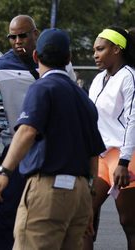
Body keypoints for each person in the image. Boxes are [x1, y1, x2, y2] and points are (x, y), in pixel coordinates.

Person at [0, 28, 106, 250]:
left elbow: (27, 131)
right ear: (68, 58)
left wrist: (3, 173)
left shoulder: (42, 87)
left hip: (49, 190)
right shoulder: (84, 98)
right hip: (79, 193)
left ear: (35, 57)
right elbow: (94, 155)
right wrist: (89, 201)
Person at [0, 15, 77, 250]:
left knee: (51, 217)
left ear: (35, 34)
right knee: (6, 214)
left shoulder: (60, 63)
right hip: (20, 150)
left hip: (56, 152)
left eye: (23, 35)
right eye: (13, 37)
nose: (18, 41)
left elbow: (73, 98)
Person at [84, 26, 135, 250]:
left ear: (116, 49)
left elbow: (134, 120)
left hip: (126, 158)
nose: (95, 55)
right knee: (84, 215)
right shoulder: (97, 80)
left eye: (100, 49)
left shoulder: (129, 77)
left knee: (129, 223)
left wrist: (124, 161)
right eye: (94, 50)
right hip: (101, 158)